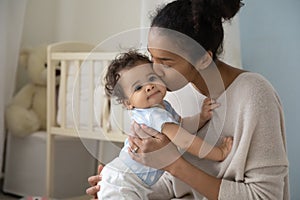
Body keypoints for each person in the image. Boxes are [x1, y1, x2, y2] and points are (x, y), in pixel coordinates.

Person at [87, 0, 289, 199]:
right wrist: (123, 185)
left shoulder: (254, 94)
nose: (154, 72)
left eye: (166, 63)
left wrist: (174, 164)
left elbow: (266, 196)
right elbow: (172, 183)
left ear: (203, 59)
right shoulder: (173, 92)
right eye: (151, 59)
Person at [97, 50, 233, 199]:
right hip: (123, 182)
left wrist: (201, 117)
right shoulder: (153, 115)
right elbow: (185, 140)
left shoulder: (163, 107)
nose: (148, 86)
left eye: (151, 77)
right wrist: (218, 153)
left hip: (130, 181)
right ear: (128, 103)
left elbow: (181, 125)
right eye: (138, 88)